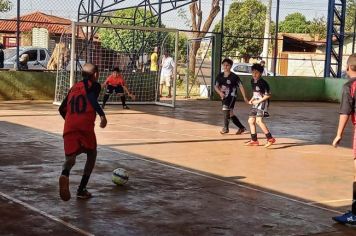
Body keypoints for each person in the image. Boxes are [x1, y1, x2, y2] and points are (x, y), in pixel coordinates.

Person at [58, 63, 107, 201]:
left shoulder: (73, 88)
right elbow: (91, 98)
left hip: (70, 126)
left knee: (70, 159)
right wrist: (102, 115)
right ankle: (81, 189)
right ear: (95, 74)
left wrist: (71, 121)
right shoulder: (95, 86)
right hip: (85, 126)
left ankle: (64, 174)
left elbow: (61, 109)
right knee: (92, 154)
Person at [332, 53, 356, 225]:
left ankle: (354, 214)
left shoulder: (350, 86)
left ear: (348, 67)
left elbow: (345, 112)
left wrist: (339, 134)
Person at [214, 58, 249, 135]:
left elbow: (241, 86)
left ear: (231, 66)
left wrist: (244, 97)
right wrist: (220, 93)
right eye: (224, 65)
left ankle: (225, 128)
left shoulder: (234, 76)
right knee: (230, 113)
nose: (226, 67)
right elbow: (215, 86)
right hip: (224, 96)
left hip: (231, 96)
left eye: (227, 65)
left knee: (225, 109)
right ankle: (241, 128)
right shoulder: (220, 75)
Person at [245, 63, 275, 147]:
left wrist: (258, 101)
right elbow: (255, 93)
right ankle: (254, 140)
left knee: (259, 121)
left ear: (260, 73)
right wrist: (251, 100)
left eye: (256, 72)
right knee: (251, 121)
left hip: (263, 103)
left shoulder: (263, 83)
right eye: (253, 72)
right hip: (256, 103)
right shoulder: (252, 81)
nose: (254, 74)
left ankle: (270, 139)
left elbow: (268, 95)